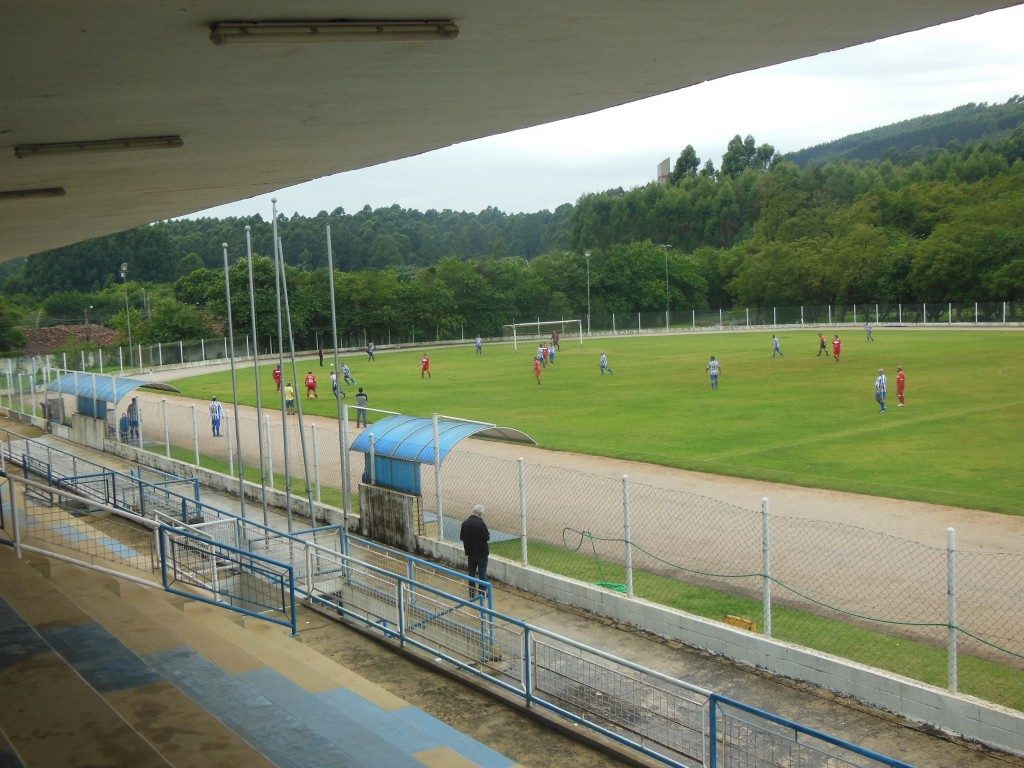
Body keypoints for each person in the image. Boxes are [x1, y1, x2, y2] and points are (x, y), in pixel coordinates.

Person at [459, 504, 490, 599]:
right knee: (482, 573)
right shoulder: (481, 524)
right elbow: (487, 537)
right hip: (481, 553)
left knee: (471, 573)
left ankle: (472, 593)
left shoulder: (465, 523)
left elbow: (461, 537)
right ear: (480, 513)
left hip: (470, 553)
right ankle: (481, 594)